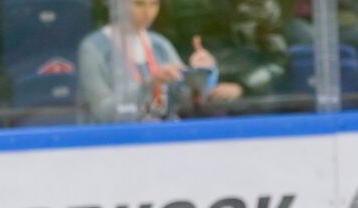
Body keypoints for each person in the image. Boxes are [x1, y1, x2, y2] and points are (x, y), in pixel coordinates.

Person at [77, 0, 242, 121]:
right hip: (113, 146)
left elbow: (185, 101)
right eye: (139, 4)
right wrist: (148, 86)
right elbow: (103, 113)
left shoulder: (159, 44)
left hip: (162, 141)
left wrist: (203, 76)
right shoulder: (94, 48)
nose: (148, 12)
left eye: (154, 4)